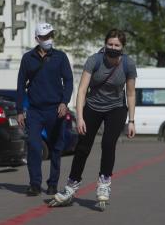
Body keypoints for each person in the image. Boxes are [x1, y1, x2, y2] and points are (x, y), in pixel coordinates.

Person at [49, 29, 137, 209]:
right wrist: (80, 117)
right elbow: (82, 90)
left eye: (117, 45)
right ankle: (71, 187)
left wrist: (132, 121)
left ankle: (104, 184)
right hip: (93, 107)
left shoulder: (128, 64)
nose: (113, 48)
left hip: (116, 108)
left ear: (122, 47)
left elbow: (130, 93)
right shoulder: (94, 60)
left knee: (108, 143)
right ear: (105, 44)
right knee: (83, 147)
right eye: (110, 44)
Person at [16, 23, 73, 196]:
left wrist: (64, 102)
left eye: (51, 36)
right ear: (37, 39)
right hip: (34, 111)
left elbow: (69, 81)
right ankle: (34, 184)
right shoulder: (28, 58)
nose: (49, 40)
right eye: (45, 37)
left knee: (56, 148)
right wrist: (19, 110)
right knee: (34, 146)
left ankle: (53, 183)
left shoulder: (60, 57)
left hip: (56, 110)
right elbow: (20, 85)